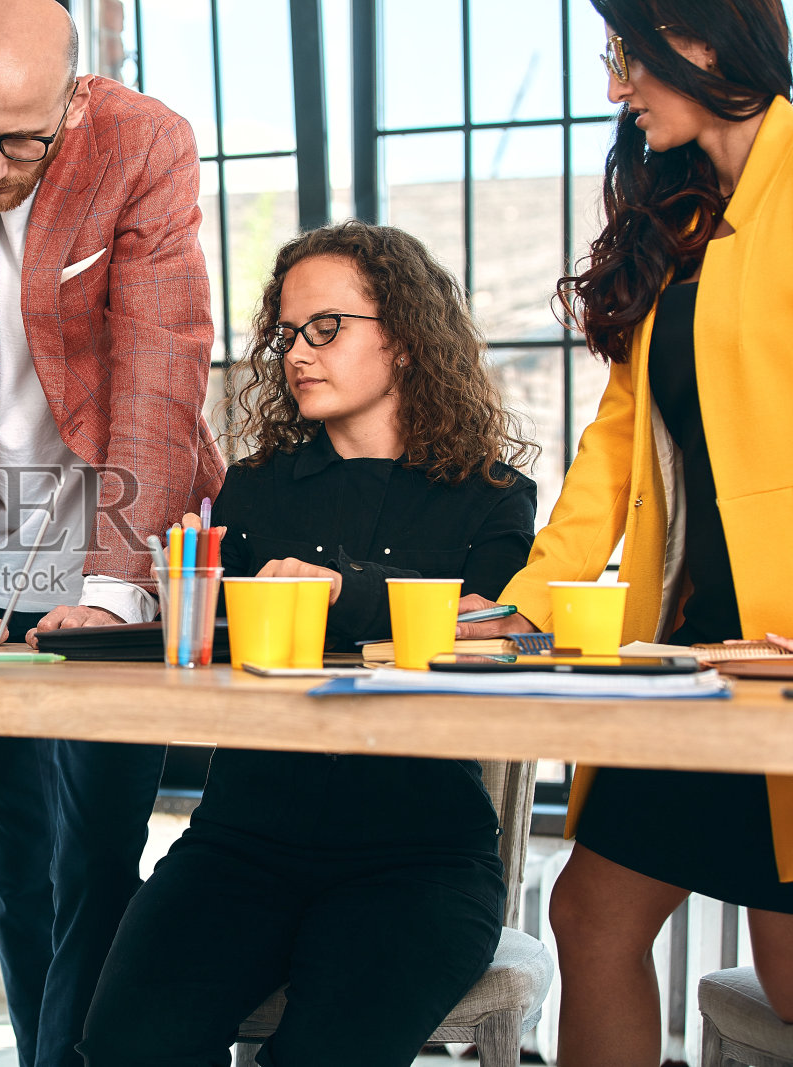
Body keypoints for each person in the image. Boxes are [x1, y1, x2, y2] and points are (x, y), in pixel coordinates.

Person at [79, 221, 538, 1067]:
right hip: (242, 843)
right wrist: (139, 617)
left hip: (419, 857)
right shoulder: (252, 490)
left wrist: (343, 590)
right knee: (122, 1047)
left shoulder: (493, 498)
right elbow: (222, 648)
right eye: (287, 333)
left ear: (403, 338)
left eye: (325, 328)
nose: (297, 352)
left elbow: (489, 629)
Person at [0, 1, 225, 1062]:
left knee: (97, 849)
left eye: (16, 142)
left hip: (115, 533)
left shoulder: (143, 142)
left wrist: (114, 589)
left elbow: (161, 372)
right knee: (13, 847)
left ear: (74, 100)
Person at [457, 3, 793, 1061]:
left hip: (785, 664)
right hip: (700, 655)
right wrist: (520, 606)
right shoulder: (688, 220)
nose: (614, 89)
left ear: (695, 40)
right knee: (592, 914)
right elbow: (612, 453)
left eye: (622, 58)